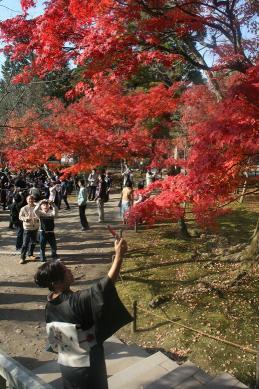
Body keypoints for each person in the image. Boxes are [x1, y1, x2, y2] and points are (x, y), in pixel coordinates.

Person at [34, 238, 131, 389]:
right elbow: (104, 287)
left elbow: (55, 342)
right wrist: (119, 255)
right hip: (88, 364)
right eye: (66, 271)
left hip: (67, 364)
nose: (70, 271)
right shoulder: (75, 301)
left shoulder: (49, 305)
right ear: (57, 283)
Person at [19, 195, 39, 264]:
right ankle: (22, 257)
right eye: (29, 199)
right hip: (27, 228)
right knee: (25, 243)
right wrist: (25, 219)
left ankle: (30, 254)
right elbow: (20, 217)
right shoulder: (24, 208)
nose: (30, 200)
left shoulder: (37, 207)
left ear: (34, 200)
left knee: (33, 242)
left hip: (35, 227)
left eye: (32, 199)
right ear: (26, 200)